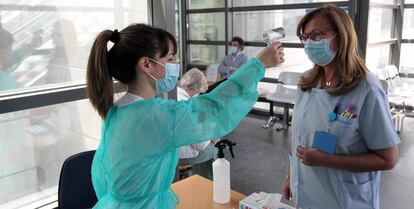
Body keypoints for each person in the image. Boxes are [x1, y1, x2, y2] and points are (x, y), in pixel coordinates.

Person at [86, 24, 284, 208]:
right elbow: (216, 106)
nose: (176, 64)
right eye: (170, 58)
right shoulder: (157, 116)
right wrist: (258, 65)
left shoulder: (116, 110)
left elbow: (102, 175)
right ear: (146, 64)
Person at [282, 4, 400, 209]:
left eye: (317, 35)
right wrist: (291, 175)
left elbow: (387, 159)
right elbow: (300, 139)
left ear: (342, 36)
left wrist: (327, 160)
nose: (310, 43)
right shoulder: (307, 84)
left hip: (346, 201)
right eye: (306, 38)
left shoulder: (367, 91)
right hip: (307, 195)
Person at [177, 68, 216, 180]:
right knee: (216, 147)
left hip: (163, 150)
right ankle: (205, 184)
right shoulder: (189, 106)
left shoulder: (170, 94)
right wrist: (211, 132)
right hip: (179, 155)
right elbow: (200, 145)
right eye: (200, 93)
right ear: (195, 90)